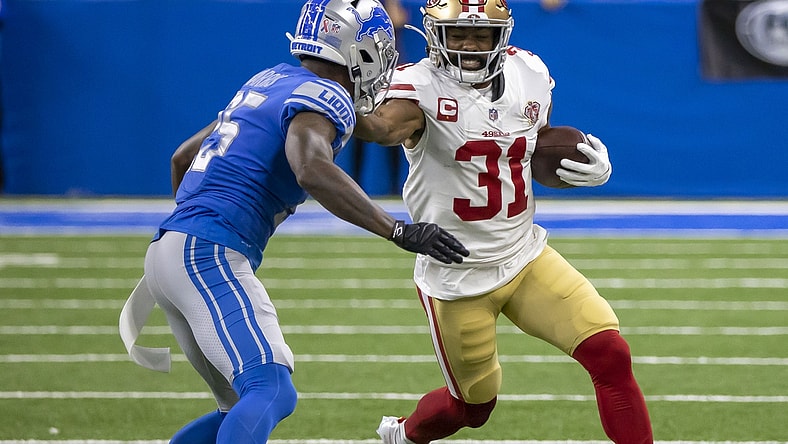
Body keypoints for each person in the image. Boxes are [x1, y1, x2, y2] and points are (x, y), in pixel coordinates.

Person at [118, 1, 469, 443]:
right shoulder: (327, 93)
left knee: (239, 409)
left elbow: (183, 157)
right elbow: (311, 168)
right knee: (272, 389)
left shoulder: (271, 80)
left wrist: (192, 228)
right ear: (358, 49)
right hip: (205, 252)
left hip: (173, 250)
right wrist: (396, 229)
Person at [353, 1, 653, 443]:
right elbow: (381, 128)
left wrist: (585, 168)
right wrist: (327, 97)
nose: (469, 45)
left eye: (481, 35)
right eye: (457, 35)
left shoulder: (528, 73)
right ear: (436, 36)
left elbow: (535, 152)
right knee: (472, 408)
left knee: (609, 353)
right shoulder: (417, 88)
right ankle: (405, 434)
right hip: (457, 277)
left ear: (503, 35)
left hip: (524, 254)